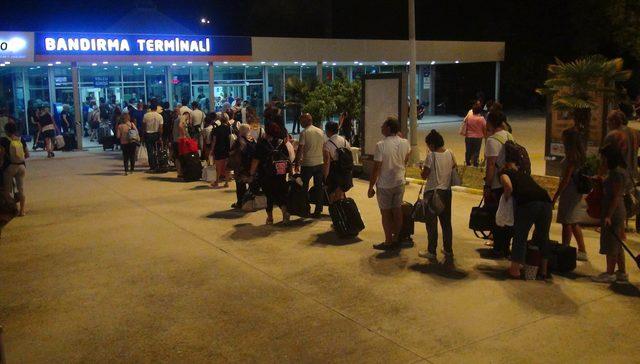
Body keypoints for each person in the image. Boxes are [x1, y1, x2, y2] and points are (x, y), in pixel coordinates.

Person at [501, 151, 554, 280]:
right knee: (543, 236)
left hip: (529, 203)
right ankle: (543, 271)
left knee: (520, 235)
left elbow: (508, 186)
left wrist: (506, 198)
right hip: (546, 202)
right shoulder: (524, 175)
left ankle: (515, 271)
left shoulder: (505, 173)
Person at [368, 117, 411, 250]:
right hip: (399, 182)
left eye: (383, 125)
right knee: (397, 211)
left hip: (385, 184)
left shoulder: (381, 145)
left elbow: (376, 168)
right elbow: (407, 157)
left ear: (388, 128)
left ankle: (388, 241)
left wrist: (370, 187)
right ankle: (397, 238)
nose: (381, 127)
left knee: (385, 213)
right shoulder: (405, 142)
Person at [418, 130, 457, 264]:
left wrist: (421, 169)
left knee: (431, 223)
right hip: (446, 191)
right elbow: (454, 167)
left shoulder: (431, 156)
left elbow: (424, 175)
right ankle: (448, 249)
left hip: (433, 192)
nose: (428, 148)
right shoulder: (450, 153)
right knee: (446, 223)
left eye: (428, 145)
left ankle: (431, 251)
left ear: (432, 144)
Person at [592, 144, 629, 283]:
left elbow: (616, 196)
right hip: (615, 209)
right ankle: (621, 272)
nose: (602, 160)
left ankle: (610, 272)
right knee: (617, 244)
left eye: (604, 157)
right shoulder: (618, 171)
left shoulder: (616, 173)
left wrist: (608, 216)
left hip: (614, 211)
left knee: (611, 243)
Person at [552, 127, 588, 261]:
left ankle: (565, 249)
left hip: (569, 191)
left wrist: (556, 196)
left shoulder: (572, 157)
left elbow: (566, 179)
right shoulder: (579, 155)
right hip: (575, 191)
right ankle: (582, 250)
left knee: (566, 221)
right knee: (573, 221)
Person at [249, 122, 292, 225]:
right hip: (280, 173)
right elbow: (287, 158)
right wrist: (289, 172)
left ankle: (270, 218)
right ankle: (284, 212)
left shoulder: (262, 143)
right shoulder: (281, 143)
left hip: (266, 174)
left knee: (269, 196)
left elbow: (256, 160)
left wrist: (251, 173)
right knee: (280, 194)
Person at [484, 111, 514, 257]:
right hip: (511, 181)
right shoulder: (509, 136)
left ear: (490, 122)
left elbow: (491, 165)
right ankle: (506, 247)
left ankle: (498, 248)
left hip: (498, 184)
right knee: (507, 216)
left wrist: (487, 186)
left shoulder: (492, 140)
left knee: (496, 216)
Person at [294, 113, 325, 217]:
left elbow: (300, 149)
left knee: (304, 187)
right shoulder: (320, 131)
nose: (300, 123)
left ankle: (305, 209)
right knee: (318, 187)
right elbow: (323, 147)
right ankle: (318, 210)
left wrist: (297, 163)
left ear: (307, 120)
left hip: (307, 163)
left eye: (301, 121)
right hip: (320, 162)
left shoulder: (304, 132)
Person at [0, 122, 28, 216]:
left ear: (6, 130)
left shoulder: (3, 140)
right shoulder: (21, 139)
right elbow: (27, 154)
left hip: (9, 167)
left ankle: (13, 207)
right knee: (21, 189)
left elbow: (1, 154)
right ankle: (22, 210)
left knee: (6, 191)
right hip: (21, 166)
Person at [323, 121, 352, 202]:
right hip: (345, 172)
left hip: (334, 173)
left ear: (328, 130)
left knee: (332, 195)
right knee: (341, 194)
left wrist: (325, 177)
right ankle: (341, 212)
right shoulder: (345, 141)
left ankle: (335, 212)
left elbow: (327, 162)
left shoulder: (327, 144)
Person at [231, 124, 256, 208]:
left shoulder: (238, 141)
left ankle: (240, 202)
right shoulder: (253, 140)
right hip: (251, 166)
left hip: (241, 167)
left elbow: (233, 152)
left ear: (240, 131)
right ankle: (252, 201)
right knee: (252, 185)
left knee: (240, 186)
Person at [210, 113, 232, 188]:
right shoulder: (229, 128)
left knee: (218, 167)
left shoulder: (216, 129)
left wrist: (212, 150)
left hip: (218, 148)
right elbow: (230, 139)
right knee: (226, 167)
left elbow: (214, 141)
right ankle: (226, 182)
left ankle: (217, 181)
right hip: (226, 149)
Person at [142, 104, 164, 171]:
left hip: (148, 134)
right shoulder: (159, 116)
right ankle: (158, 163)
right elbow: (160, 128)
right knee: (157, 149)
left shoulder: (146, 115)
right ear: (156, 108)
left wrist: (143, 135)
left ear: (150, 108)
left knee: (150, 151)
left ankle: (152, 166)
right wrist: (160, 137)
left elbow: (144, 127)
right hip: (156, 134)